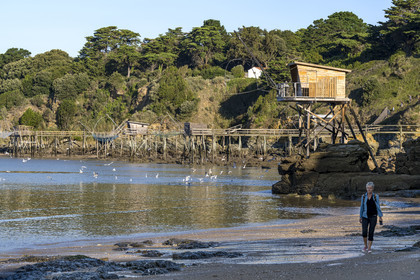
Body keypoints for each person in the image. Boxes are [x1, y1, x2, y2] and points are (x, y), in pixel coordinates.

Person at [359, 182, 383, 253]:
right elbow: (361, 207)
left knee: (371, 232)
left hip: (373, 216)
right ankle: (365, 246)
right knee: (364, 232)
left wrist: (380, 216)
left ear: (372, 188)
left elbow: (378, 206)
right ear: (366, 188)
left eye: (370, 188)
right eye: (368, 188)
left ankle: (369, 248)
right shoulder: (363, 196)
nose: (369, 189)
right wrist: (360, 216)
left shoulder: (376, 196)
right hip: (364, 216)